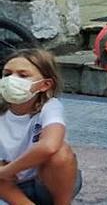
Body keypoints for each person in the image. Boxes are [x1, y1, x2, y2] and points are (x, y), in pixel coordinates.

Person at [0, 49, 81, 205]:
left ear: (45, 85)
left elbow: (49, 146)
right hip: (10, 186)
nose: (11, 80)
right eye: (7, 74)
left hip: (46, 182)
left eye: (23, 75)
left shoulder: (50, 107)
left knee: (60, 152)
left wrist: (8, 171)